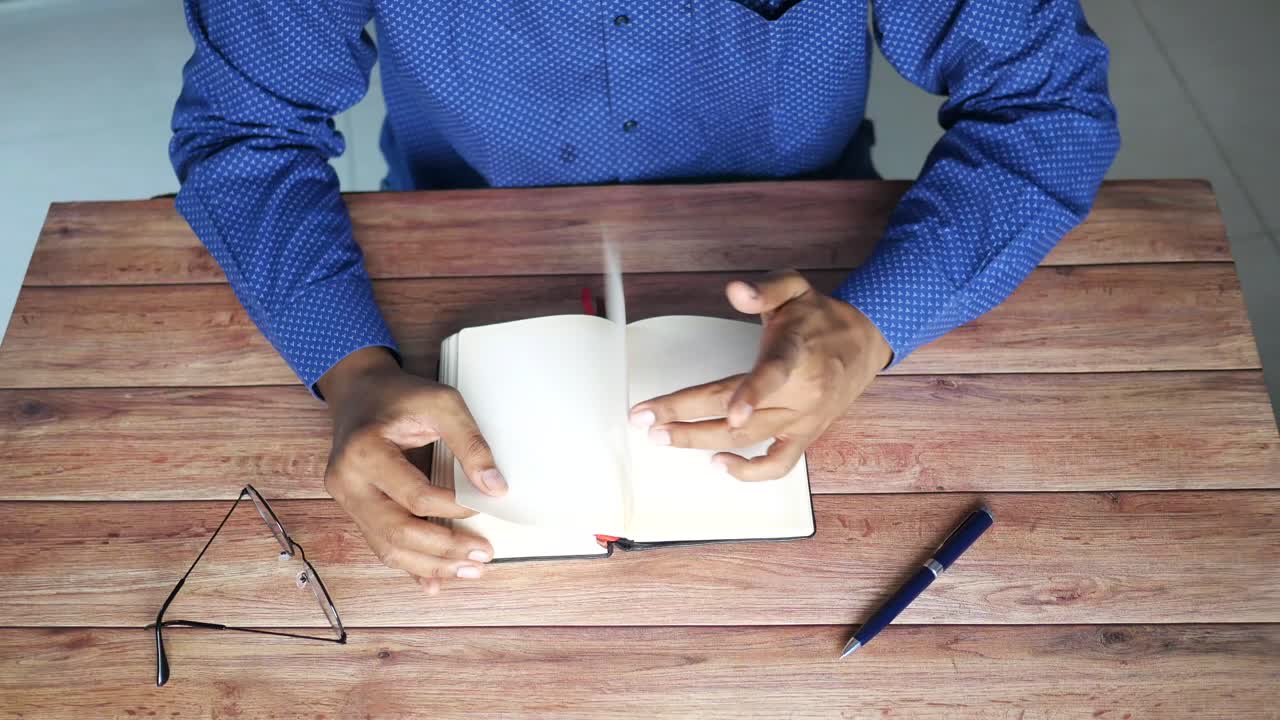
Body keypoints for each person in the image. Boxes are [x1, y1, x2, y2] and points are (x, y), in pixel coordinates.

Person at [170, 0, 1118, 595]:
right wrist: (346, 365)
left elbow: (1047, 108)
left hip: (814, 271)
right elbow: (247, 128)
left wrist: (878, 324)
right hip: (449, 245)